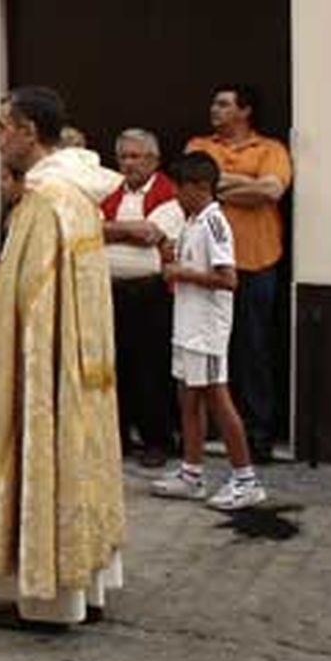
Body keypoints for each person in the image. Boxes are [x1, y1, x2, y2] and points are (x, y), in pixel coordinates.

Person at [0, 87, 125, 631]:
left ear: (28, 131)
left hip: (47, 368)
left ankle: (46, 598)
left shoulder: (45, 200)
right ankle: (87, 589)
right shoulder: (76, 194)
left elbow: (30, 294)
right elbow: (49, 286)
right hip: (80, 362)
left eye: (1, 125)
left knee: (44, 457)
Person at [151, 152, 267, 510]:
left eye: (180, 189)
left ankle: (245, 478)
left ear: (200, 187)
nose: (176, 197)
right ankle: (191, 472)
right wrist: (170, 255)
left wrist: (182, 274)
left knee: (218, 397)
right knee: (189, 396)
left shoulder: (215, 223)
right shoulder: (191, 222)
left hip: (207, 329)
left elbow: (227, 278)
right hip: (186, 324)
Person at [185, 84, 292, 463]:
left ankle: (258, 432)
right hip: (206, 270)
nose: (214, 109)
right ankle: (208, 432)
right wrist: (250, 184)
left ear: (245, 111)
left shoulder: (271, 149)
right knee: (207, 350)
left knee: (253, 349)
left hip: (257, 263)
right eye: (214, 102)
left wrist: (221, 186)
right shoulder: (200, 143)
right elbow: (192, 186)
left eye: (223, 104)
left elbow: (272, 191)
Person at [102, 129, 185, 469]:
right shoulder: (108, 191)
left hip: (151, 293)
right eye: (123, 157)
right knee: (113, 367)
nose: (129, 163)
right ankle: (117, 437)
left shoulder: (170, 192)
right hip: (110, 290)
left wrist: (112, 229)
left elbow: (153, 233)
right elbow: (89, 228)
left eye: (136, 157)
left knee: (151, 369)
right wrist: (130, 230)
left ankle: (157, 440)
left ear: (154, 160)